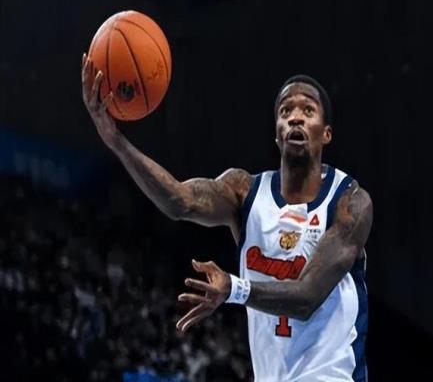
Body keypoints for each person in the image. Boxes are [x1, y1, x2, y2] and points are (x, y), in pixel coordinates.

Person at [82, 53, 373, 382]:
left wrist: (234, 288)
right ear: (277, 134)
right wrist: (117, 141)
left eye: (308, 111)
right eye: (285, 111)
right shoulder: (244, 192)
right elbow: (179, 201)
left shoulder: (349, 202)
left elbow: (307, 297)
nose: (295, 118)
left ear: (326, 133)